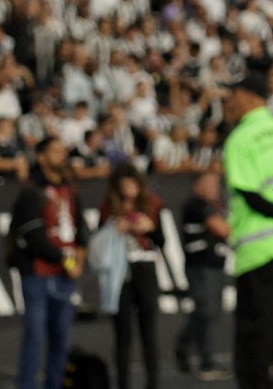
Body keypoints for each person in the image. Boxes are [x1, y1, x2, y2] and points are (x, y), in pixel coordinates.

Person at [222, 71, 273, 389]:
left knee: (255, 341)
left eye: (232, 96)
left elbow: (248, 194)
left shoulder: (241, 138)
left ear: (248, 96)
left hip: (258, 254)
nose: (229, 103)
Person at [9, 136, 89, 389]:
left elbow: (81, 231)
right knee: (34, 337)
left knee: (61, 339)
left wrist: (79, 261)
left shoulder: (70, 191)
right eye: (55, 151)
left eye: (63, 151)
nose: (61, 156)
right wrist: (68, 262)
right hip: (37, 274)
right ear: (41, 157)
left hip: (64, 277)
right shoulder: (31, 192)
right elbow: (34, 239)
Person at [98, 163, 165, 389]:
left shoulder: (151, 204)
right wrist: (115, 229)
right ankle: (123, 383)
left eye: (132, 184)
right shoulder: (108, 208)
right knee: (123, 333)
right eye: (124, 185)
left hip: (144, 268)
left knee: (149, 331)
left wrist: (150, 228)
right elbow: (98, 243)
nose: (129, 189)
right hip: (119, 272)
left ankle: (153, 383)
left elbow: (162, 241)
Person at [174, 170, 232, 381]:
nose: (215, 188)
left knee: (210, 312)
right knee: (206, 312)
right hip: (201, 267)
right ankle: (206, 361)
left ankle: (184, 346)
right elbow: (222, 229)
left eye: (216, 184)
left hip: (215, 265)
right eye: (209, 183)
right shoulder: (196, 205)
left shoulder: (214, 206)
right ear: (197, 185)